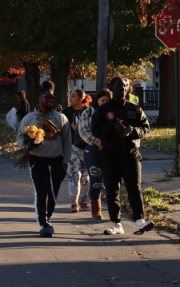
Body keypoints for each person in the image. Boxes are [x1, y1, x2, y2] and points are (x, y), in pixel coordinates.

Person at [92, 77, 153, 235]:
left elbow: (145, 127)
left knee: (135, 188)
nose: (123, 89)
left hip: (131, 155)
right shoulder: (104, 110)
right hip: (111, 156)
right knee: (112, 190)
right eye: (119, 86)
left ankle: (139, 221)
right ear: (112, 88)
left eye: (125, 86)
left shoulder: (134, 108)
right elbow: (96, 129)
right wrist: (114, 129)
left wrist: (133, 131)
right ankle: (116, 224)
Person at [16, 80, 72, 238]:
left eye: (52, 98)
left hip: (57, 161)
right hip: (37, 160)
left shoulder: (61, 119)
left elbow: (68, 141)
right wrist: (23, 146)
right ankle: (44, 223)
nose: (50, 100)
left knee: (52, 193)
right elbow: (20, 136)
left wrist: (65, 162)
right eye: (47, 97)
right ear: (39, 98)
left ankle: (48, 217)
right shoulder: (29, 118)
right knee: (41, 192)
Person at [77, 88, 112, 220]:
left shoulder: (112, 113)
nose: (105, 103)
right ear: (97, 100)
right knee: (95, 180)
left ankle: (114, 209)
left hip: (110, 149)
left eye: (108, 101)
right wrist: (96, 141)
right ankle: (96, 210)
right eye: (103, 100)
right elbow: (83, 130)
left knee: (110, 180)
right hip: (93, 150)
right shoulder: (89, 112)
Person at [64, 89, 91, 213]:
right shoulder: (67, 112)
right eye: (70, 96)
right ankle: (74, 202)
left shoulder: (88, 112)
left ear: (81, 99)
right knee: (75, 174)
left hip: (86, 148)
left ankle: (83, 200)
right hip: (72, 148)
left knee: (85, 176)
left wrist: (78, 128)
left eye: (73, 96)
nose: (70, 98)